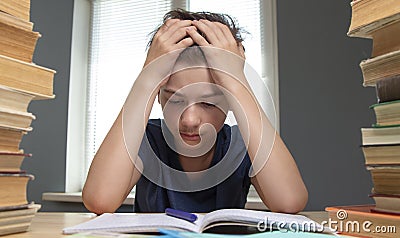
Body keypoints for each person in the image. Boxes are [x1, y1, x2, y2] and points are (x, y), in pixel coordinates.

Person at [82, 9, 308, 214]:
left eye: (208, 104)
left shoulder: (242, 144)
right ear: (158, 95)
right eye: (175, 100)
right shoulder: (145, 140)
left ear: (230, 100)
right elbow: (100, 200)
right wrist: (148, 77)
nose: (189, 120)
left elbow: (289, 201)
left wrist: (236, 81)